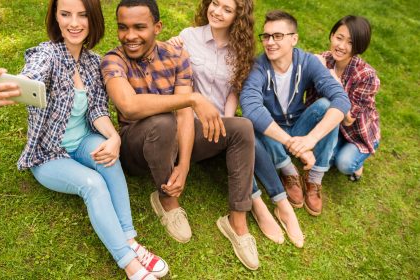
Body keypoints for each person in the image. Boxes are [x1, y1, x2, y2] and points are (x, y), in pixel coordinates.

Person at [0, 0, 168, 279]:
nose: (74, 23)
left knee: (109, 159)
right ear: (55, 18)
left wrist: (114, 137)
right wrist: (6, 88)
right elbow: (32, 76)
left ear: (92, 19)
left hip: (82, 142)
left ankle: (129, 239)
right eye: (65, 14)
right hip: (48, 154)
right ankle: (130, 264)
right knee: (92, 185)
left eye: (82, 15)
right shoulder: (47, 54)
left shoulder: (94, 62)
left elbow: (97, 110)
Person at [101, 0, 259, 270]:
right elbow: (128, 105)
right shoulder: (113, 59)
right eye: (123, 28)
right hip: (135, 148)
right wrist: (191, 99)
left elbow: (186, 115)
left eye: (140, 27)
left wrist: (184, 165)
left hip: (175, 138)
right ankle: (167, 198)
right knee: (163, 122)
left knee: (242, 128)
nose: (130, 36)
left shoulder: (176, 56)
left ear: (157, 27)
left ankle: (237, 222)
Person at [167, 0, 305, 248]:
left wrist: (226, 120)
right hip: (192, 126)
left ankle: (282, 204)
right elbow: (169, 74)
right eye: (215, 3)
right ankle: (260, 207)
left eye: (227, 9)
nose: (217, 12)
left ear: (237, 17)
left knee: (241, 129)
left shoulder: (240, 50)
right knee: (243, 130)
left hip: (222, 124)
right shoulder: (188, 37)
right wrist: (171, 45)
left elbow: (233, 91)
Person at [240, 10, 351, 217]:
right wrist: (293, 145)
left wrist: (311, 139)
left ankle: (314, 178)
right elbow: (251, 108)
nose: (270, 42)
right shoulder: (257, 67)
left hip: (299, 125)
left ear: (294, 39)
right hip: (273, 133)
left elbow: (341, 99)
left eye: (278, 36)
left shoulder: (308, 62)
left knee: (327, 105)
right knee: (255, 118)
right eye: (266, 36)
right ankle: (288, 170)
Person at [306, 15, 380, 181]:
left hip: (356, 133)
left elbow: (347, 120)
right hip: (332, 127)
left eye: (350, 42)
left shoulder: (367, 76)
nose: (341, 46)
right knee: (322, 158)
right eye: (339, 38)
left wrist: (336, 85)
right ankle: (333, 149)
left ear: (359, 46)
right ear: (332, 35)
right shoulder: (323, 60)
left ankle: (357, 163)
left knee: (344, 164)